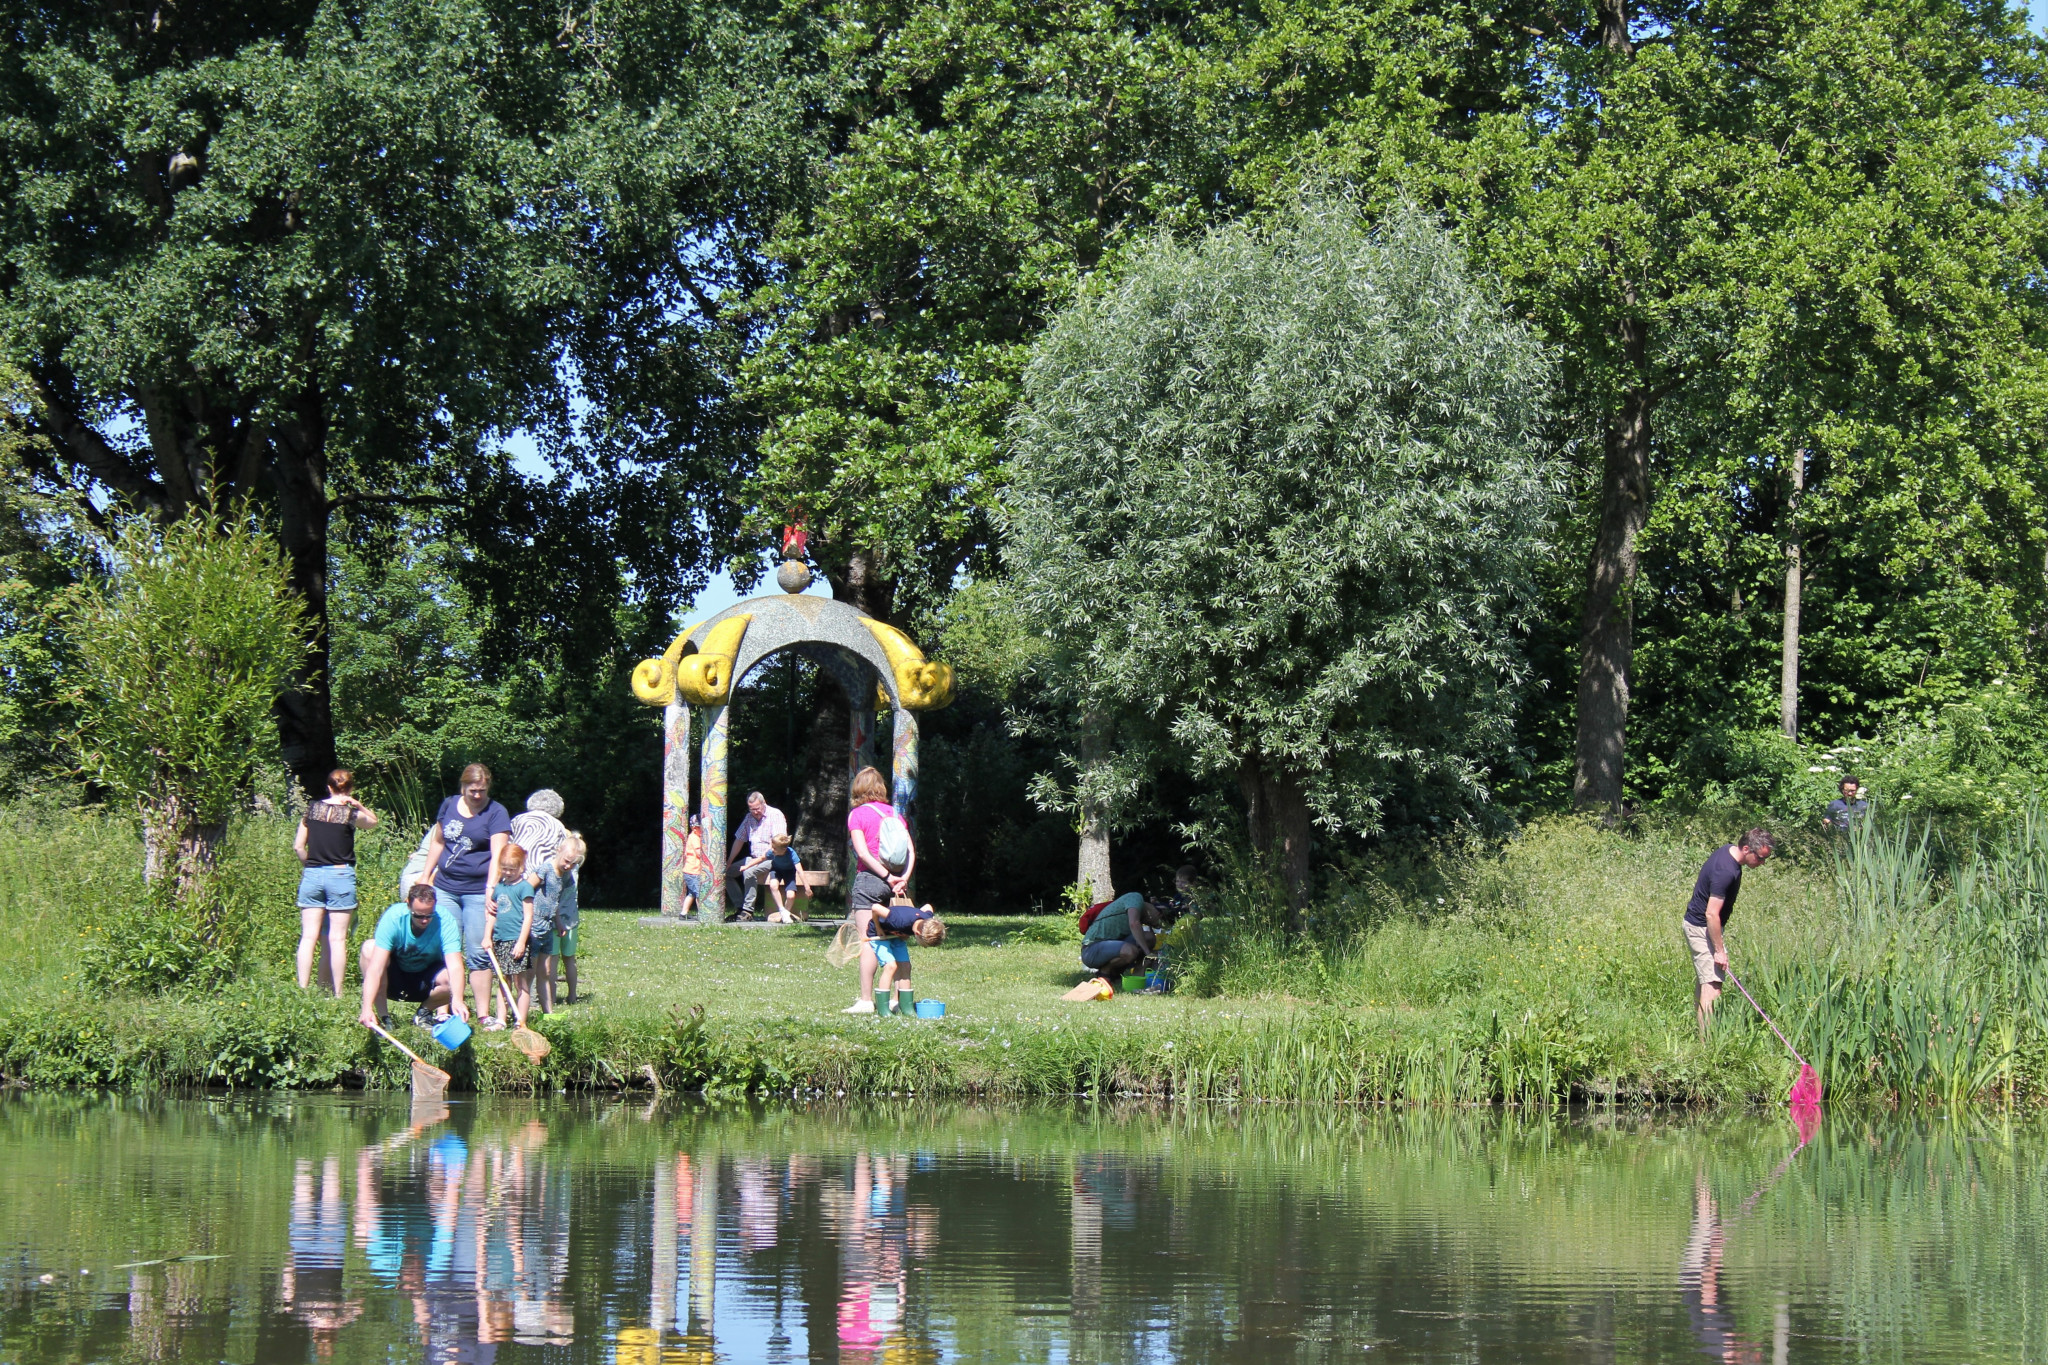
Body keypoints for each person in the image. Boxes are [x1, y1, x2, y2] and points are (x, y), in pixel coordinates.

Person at [421, 763, 512, 1020]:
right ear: (463, 787)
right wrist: (426, 876)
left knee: (478, 950)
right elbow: (438, 842)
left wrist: (490, 889)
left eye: (481, 790)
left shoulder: (496, 812)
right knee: (446, 947)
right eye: (472, 790)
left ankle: (482, 1014)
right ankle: (443, 1009)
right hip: (446, 887)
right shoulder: (449, 805)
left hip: (476, 891)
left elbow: (498, 855)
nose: (477, 795)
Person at [294, 768, 378, 996]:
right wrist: (357, 804)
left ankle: (302, 989)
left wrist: (309, 865)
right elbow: (373, 822)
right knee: (337, 938)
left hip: (312, 873)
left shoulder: (311, 810)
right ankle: (338, 993)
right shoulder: (350, 814)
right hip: (340, 875)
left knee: (308, 936)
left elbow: (298, 847)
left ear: (329, 787)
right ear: (350, 789)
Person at [1683, 828, 1776, 1035]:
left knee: (1705, 982)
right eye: (1760, 858)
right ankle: (1709, 1047)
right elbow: (1711, 914)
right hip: (1702, 928)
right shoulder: (1726, 871)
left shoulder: (1727, 851)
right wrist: (1719, 950)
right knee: (1713, 987)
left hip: (1703, 926)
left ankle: (1702, 1038)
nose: (1762, 863)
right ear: (1746, 849)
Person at [842, 766, 914, 1013]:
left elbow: (862, 852)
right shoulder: (895, 814)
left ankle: (865, 1001)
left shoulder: (857, 814)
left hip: (870, 881)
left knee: (869, 940)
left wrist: (885, 876)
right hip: (897, 886)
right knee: (896, 938)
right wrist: (901, 878)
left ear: (858, 789)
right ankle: (897, 1000)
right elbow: (911, 851)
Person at [358, 884, 471, 1031]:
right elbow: (376, 968)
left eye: (429, 915)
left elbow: (455, 966)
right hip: (395, 977)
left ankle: (423, 1013)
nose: (424, 920)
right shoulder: (394, 917)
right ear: (408, 906)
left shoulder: (445, 920)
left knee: (453, 980)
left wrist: (457, 1000)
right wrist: (366, 1007)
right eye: (418, 916)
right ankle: (383, 1018)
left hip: (425, 978)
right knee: (369, 948)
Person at [529, 832, 584, 1013]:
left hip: (552, 922)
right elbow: (526, 888)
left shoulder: (566, 875)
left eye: (573, 863)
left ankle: (551, 1005)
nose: (568, 865)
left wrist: (559, 921)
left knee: (549, 965)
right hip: (535, 921)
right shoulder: (545, 869)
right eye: (567, 861)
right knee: (538, 965)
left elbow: (556, 900)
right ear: (558, 851)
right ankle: (537, 999)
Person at [487, 844, 538, 1030]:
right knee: (502, 980)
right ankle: (501, 1019)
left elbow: (528, 917)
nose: (507, 872)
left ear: (521, 867)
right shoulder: (499, 888)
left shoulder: (524, 888)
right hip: (500, 940)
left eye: (512, 869)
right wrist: (487, 936)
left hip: (517, 941)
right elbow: (492, 913)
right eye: (504, 868)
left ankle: (520, 1020)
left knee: (520, 982)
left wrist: (521, 942)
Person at [868, 903, 945, 1014]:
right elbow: (875, 908)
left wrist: (907, 926)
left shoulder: (927, 920)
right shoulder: (898, 920)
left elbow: (928, 906)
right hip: (879, 936)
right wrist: (878, 927)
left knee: (905, 966)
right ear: (918, 933)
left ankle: (905, 1007)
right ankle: (883, 1009)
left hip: (897, 935)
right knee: (891, 966)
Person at [727, 791, 788, 920]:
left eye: (757, 809)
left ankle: (748, 911)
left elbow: (779, 843)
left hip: (773, 858)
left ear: (763, 803)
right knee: (727, 873)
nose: (755, 812)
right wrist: (729, 861)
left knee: (749, 871)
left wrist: (759, 860)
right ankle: (740, 908)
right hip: (754, 857)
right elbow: (739, 840)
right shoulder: (749, 818)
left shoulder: (775, 815)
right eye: (752, 809)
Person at [1081, 891, 1161, 987]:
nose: (1156, 921)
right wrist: (1148, 953)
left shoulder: (1139, 914)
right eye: (1158, 919)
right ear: (1155, 912)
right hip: (1090, 949)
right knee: (1130, 951)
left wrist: (1150, 926)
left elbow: (1142, 933)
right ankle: (1104, 971)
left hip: (1108, 946)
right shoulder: (1135, 897)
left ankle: (1136, 974)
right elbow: (1134, 924)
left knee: (1148, 938)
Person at [764, 833, 804, 922]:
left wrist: (807, 887)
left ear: (783, 849)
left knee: (791, 896)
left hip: (789, 872)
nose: (772, 850)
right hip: (776, 870)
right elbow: (762, 858)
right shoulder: (772, 852)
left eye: (774, 848)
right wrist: (747, 867)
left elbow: (800, 870)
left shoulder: (791, 853)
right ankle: (782, 910)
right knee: (773, 886)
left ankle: (785, 913)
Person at [680, 819, 708, 920]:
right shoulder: (694, 838)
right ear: (694, 828)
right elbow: (698, 852)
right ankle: (702, 914)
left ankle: (683, 913)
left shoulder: (694, 837)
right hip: (693, 871)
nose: (702, 831)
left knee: (692, 893)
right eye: (700, 828)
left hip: (690, 871)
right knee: (699, 893)